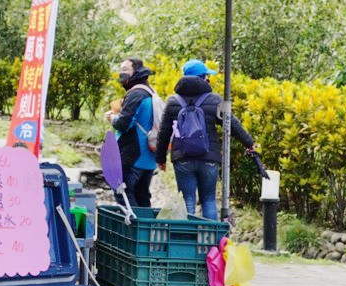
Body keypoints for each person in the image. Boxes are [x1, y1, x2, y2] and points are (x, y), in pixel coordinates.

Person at [154, 59, 256, 221]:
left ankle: (188, 240)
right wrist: (249, 143)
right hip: (209, 157)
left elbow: (164, 133)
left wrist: (160, 159)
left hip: (183, 158)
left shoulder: (173, 101)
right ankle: (209, 242)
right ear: (203, 78)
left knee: (187, 199)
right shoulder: (214, 100)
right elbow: (232, 124)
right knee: (208, 200)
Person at [107, 58, 159, 208]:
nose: (121, 73)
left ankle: (133, 230)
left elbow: (123, 124)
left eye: (125, 70)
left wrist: (112, 118)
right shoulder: (150, 92)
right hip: (148, 158)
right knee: (142, 198)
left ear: (136, 71)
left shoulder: (136, 94)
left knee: (123, 194)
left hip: (133, 155)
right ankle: (146, 230)